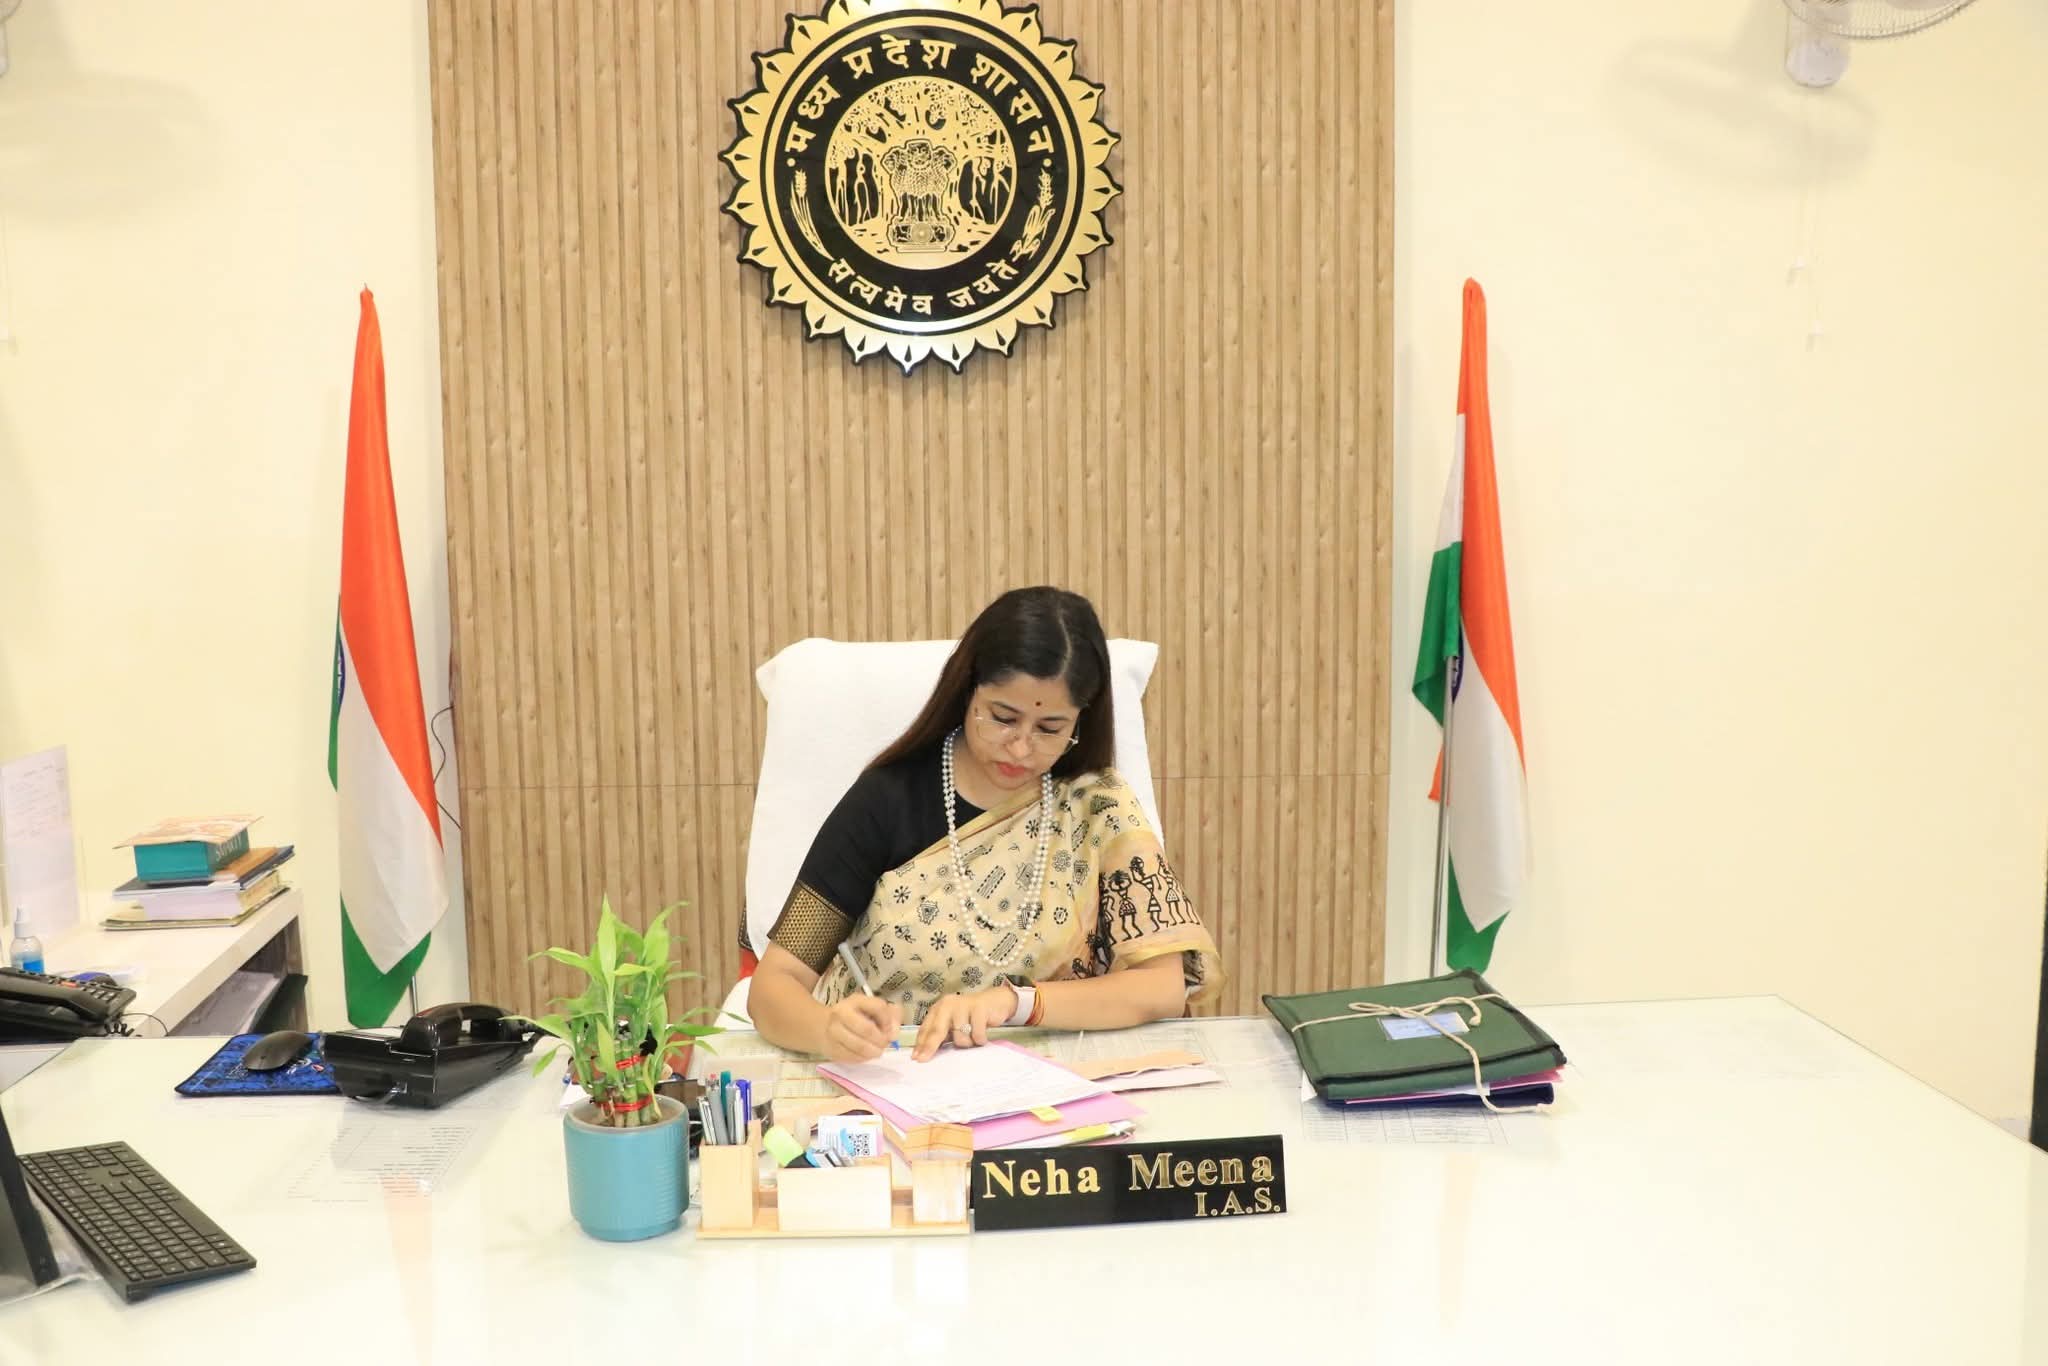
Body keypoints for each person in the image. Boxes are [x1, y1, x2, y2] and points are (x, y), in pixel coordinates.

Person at [748, 587, 1224, 1063]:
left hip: (1048, 1079)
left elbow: (1164, 987)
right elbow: (775, 984)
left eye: (1050, 728)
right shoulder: (886, 799)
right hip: (894, 1071)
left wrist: (1016, 1004)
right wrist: (828, 1031)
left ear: (1081, 720)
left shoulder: (1096, 807)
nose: (1020, 747)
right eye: (1002, 718)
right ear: (968, 691)